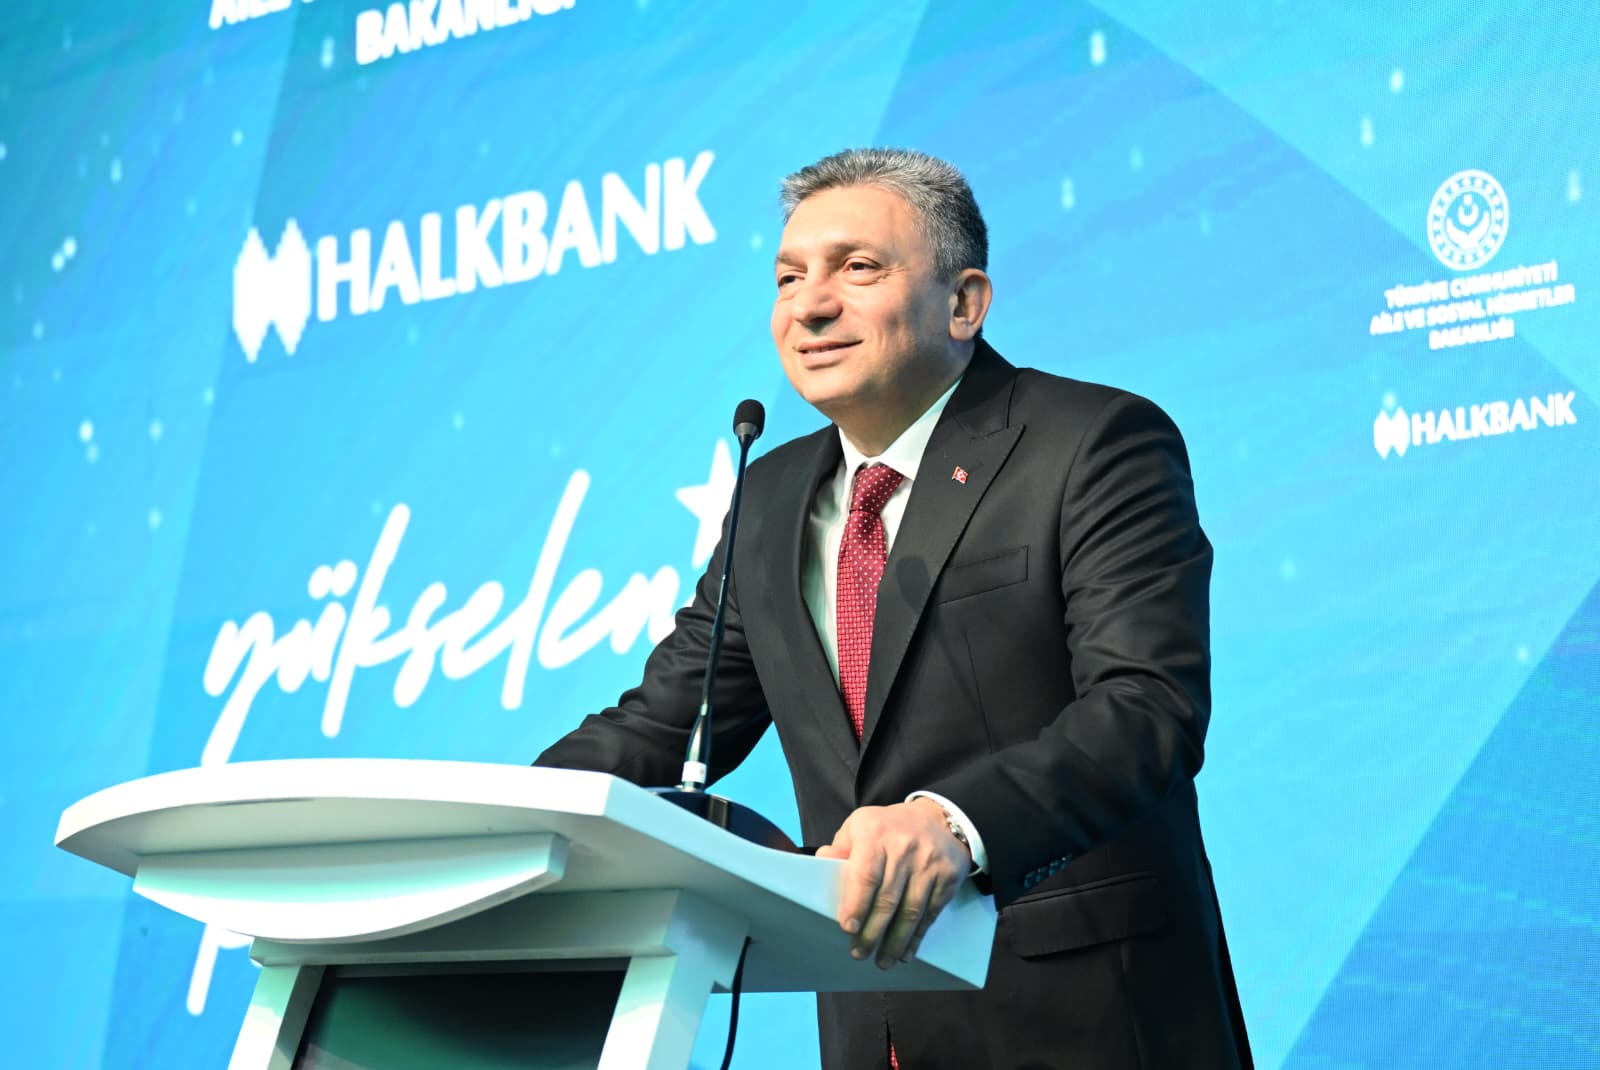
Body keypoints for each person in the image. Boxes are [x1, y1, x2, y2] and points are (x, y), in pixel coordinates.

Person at [536, 147, 1252, 1069]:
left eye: (857, 268)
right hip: (873, 1024)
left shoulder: (1092, 444)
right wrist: (489, 830)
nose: (809, 305)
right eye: (789, 277)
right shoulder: (771, 496)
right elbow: (663, 727)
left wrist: (953, 823)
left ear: (964, 303)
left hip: (1088, 1019)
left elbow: (1145, 709)